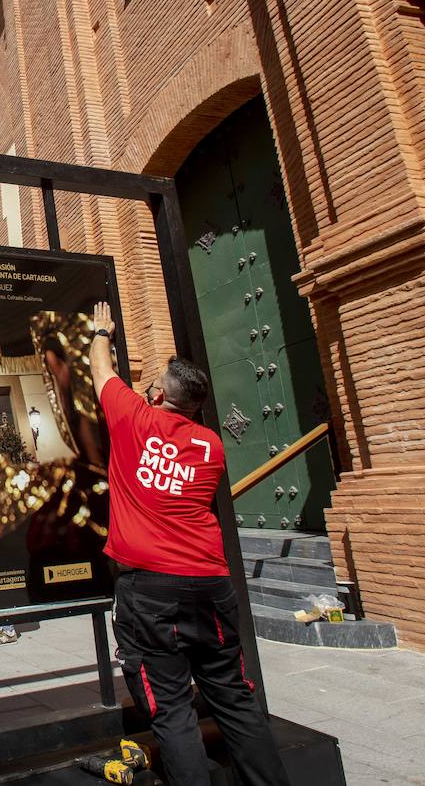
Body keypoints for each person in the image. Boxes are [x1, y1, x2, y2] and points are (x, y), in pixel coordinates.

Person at [87, 302, 289, 786]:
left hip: (151, 594)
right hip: (210, 587)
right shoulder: (213, 447)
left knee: (172, 708)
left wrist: (102, 330)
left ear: (157, 393)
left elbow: (99, 368)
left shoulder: (134, 419)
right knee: (235, 698)